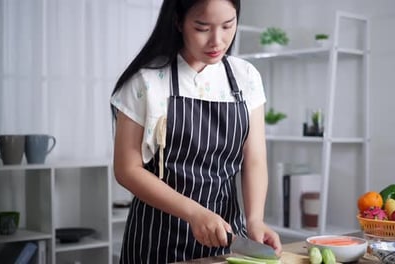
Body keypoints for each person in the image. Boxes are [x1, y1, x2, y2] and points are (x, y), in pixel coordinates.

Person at [110, 0, 282, 262]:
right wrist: (194, 213)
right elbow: (126, 169)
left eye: (228, 25)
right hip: (158, 241)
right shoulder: (146, 82)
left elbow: (254, 159)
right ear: (178, 22)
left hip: (226, 239)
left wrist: (255, 219)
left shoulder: (246, 77)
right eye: (202, 28)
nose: (217, 40)